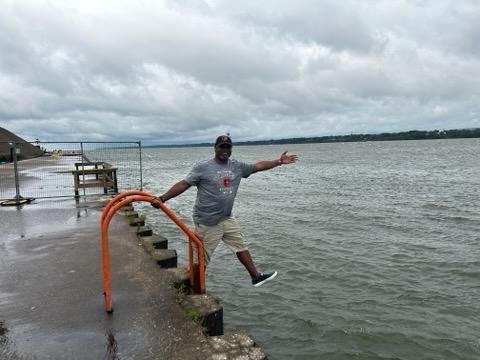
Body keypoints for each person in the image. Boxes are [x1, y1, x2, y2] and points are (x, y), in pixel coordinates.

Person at [154, 135, 298, 287]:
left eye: (228, 147)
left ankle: (255, 276)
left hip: (226, 217)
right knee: (202, 258)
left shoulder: (236, 166)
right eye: (221, 147)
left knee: (240, 245)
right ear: (215, 148)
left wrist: (279, 162)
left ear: (231, 149)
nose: (225, 150)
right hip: (208, 221)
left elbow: (256, 166)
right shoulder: (203, 167)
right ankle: (191, 287)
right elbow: (184, 184)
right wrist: (162, 198)